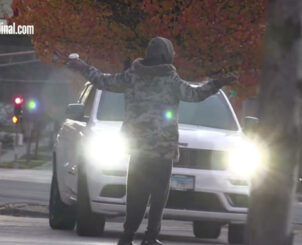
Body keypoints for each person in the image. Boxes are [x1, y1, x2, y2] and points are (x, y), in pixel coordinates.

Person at [66, 36, 235, 245]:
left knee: (136, 192)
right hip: (162, 150)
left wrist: (82, 66)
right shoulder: (170, 80)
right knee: (158, 196)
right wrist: (217, 83)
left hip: (137, 148)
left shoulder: (133, 76)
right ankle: (151, 237)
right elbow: (195, 94)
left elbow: (103, 81)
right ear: (168, 55)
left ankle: (128, 235)